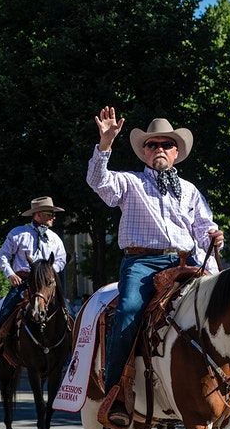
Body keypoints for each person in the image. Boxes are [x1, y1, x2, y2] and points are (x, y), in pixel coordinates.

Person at [86, 108, 223, 399]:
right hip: (142, 262)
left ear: (176, 152)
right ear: (144, 152)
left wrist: (214, 240)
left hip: (187, 260)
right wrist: (105, 144)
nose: (159, 149)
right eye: (152, 144)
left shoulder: (189, 190)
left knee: (226, 307)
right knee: (128, 311)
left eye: (166, 144)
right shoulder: (130, 183)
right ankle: (116, 392)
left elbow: (203, 228)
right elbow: (98, 182)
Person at [0, 196, 69, 369]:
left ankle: (73, 351)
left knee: (67, 312)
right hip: (23, 282)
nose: (53, 217)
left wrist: (48, 273)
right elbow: (2, 255)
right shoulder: (18, 233)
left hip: (46, 285)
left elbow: (62, 260)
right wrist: (10, 274)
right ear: (38, 214)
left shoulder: (55, 238)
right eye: (50, 214)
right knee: (5, 309)